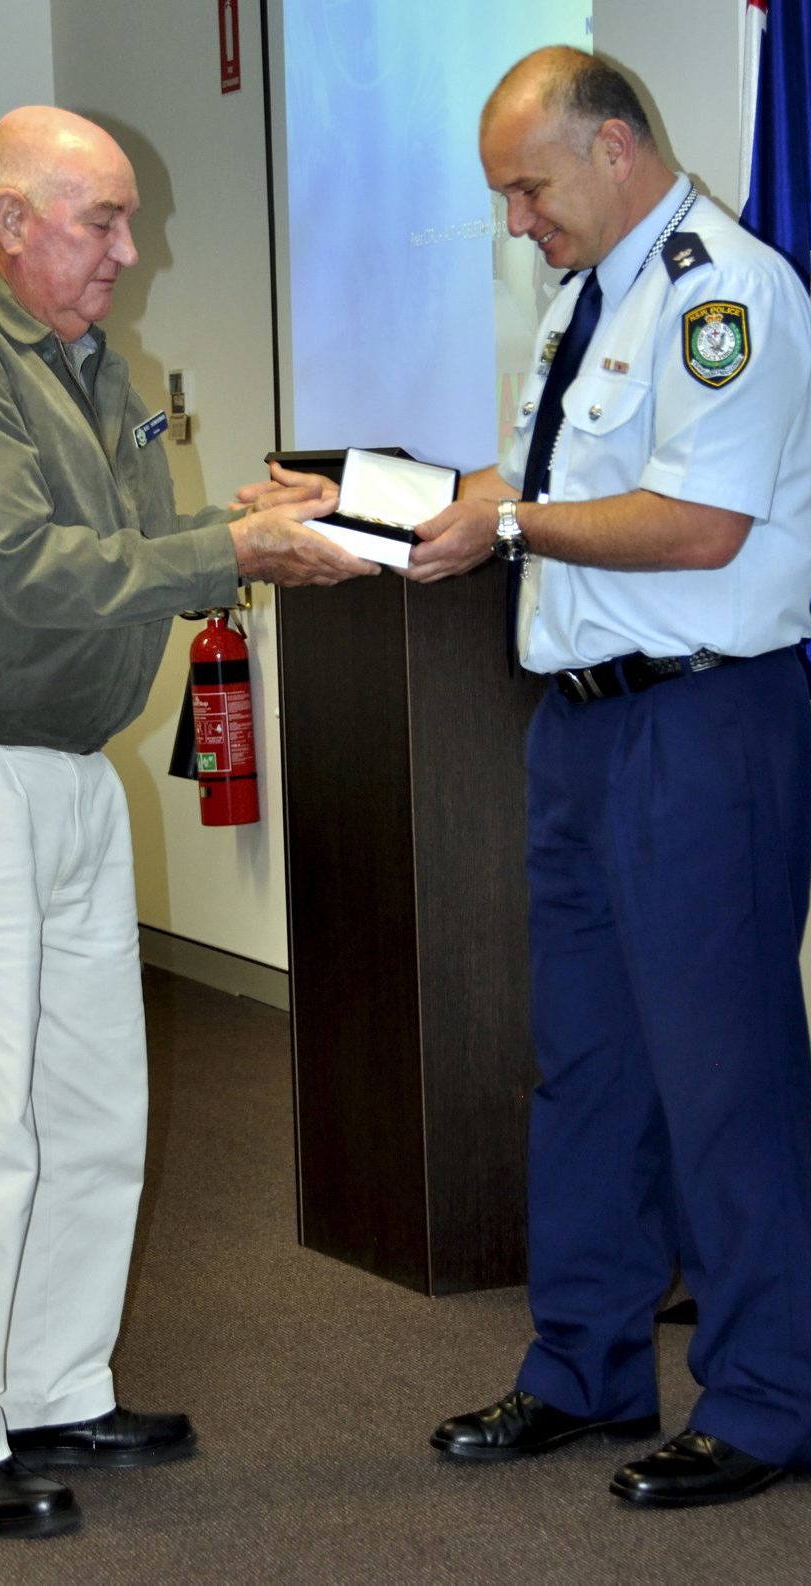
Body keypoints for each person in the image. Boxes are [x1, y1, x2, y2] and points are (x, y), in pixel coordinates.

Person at [0, 105, 377, 1540]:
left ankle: (53, 1382)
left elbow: (124, 553)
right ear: (12, 222)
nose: (131, 255)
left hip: (66, 769)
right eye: (105, 224)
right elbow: (20, 569)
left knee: (88, 1105)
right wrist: (229, 547)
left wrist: (239, 521)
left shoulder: (84, 360)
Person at [406, 47, 811, 1508]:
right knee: (585, 1066)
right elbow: (561, 501)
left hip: (703, 727)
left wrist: (510, 523)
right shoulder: (590, 294)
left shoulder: (727, 296)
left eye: (529, 186)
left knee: (727, 1073)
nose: (518, 220)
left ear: (617, 147)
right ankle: (582, 1366)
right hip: (578, 726)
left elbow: (702, 527)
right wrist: (446, 510)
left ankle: (770, 1397)